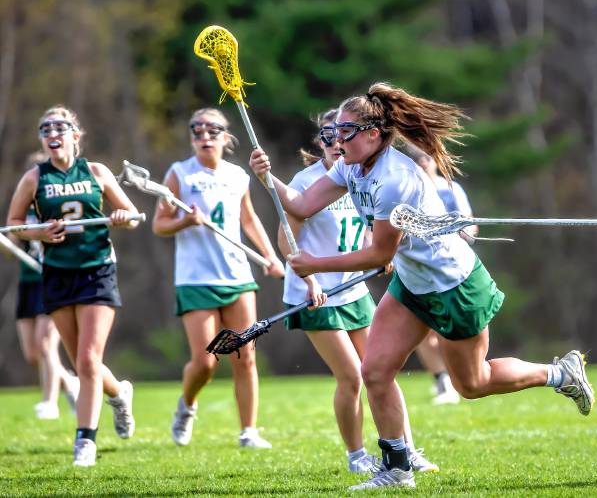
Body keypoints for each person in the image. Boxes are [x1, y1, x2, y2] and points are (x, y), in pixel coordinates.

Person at [249, 82, 595, 490]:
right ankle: (397, 469)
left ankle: (559, 372)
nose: (336, 140)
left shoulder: (396, 179)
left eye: (346, 132)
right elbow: (302, 205)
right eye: (335, 132)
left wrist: (316, 264)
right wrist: (268, 178)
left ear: (374, 134)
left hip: (453, 285)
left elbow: (379, 254)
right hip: (412, 286)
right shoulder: (349, 165)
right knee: (374, 372)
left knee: (473, 384)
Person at [277, 109, 438, 473]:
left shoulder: (357, 175)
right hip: (315, 292)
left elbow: (369, 227)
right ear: (319, 142)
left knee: (380, 372)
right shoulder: (306, 180)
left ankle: (406, 450)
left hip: (353, 289)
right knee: (351, 376)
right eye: (327, 135)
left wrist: (381, 254)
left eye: (342, 133)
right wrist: (310, 280)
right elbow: (287, 238)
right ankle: (356, 456)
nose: (336, 141)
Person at [7, 105, 139, 467]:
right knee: (84, 365)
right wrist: (38, 231)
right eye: (45, 128)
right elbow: (14, 224)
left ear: (75, 135)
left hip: (97, 270)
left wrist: (122, 217)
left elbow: (130, 216)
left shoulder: (96, 172)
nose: (52, 133)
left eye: (60, 127)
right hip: (58, 274)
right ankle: (119, 395)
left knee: (88, 359)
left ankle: (85, 440)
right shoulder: (34, 178)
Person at [152, 108, 285, 450]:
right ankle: (187, 404)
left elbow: (249, 219)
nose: (204, 137)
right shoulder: (179, 174)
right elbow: (160, 224)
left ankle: (248, 431)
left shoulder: (238, 175)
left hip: (238, 276)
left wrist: (270, 256)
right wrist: (186, 221)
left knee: (245, 355)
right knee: (206, 361)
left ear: (226, 138)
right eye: (197, 131)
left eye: (212, 131)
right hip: (196, 279)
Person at [1, 152, 80, 420]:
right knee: (33, 353)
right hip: (28, 282)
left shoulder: (55, 207)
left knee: (46, 343)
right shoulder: (21, 213)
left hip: (52, 278)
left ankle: (50, 402)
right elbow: (14, 250)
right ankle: (70, 383)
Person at [413, 149, 478, 405]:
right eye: (417, 160)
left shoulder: (450, 188)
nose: (423, 164)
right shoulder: (409, 190)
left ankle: (462, 378)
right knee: (425, 333)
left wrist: (466, 233)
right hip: (421, 270)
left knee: (450, 330)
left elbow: (469, 223)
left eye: (426, 159)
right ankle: (442, 381)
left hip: (451, 268)